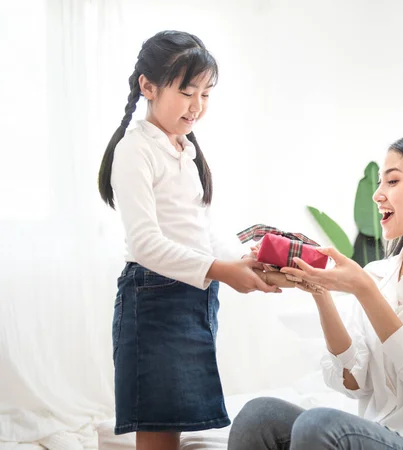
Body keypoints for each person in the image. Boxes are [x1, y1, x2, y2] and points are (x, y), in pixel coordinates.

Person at [228, 132, 403, 450]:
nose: (377, 195)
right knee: (259, 415)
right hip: (381, 436)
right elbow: (353, 382)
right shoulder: (379, 273)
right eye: (380, 183)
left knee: (318, 425)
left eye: (392, 182)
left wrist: (364, 290)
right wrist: (318, 290)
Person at [97, 30, 279, 450]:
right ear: (148, 86)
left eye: (206, 94)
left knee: (175, 418)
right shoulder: (135, 150)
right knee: (159, 426)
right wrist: (222, 271)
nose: (197, 106)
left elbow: (200, 228)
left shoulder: (184, 149)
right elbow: (144, 243)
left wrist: (241, 258)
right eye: (186, 91)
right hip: (154, 299)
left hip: (193, 297)